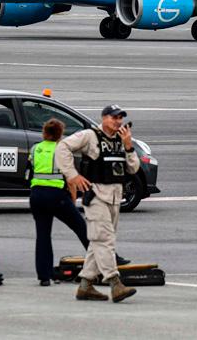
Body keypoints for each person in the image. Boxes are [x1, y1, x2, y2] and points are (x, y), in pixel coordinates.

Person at [55, 104, 139, 303]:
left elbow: (133, 169)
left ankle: (85, 285)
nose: (117, 121)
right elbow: (62, 147)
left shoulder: (122, 139)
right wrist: (73, 175)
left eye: (120, 118)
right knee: (105, 240)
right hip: (96, 196)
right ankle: (114, 282)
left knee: (98, 242)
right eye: (113, 117)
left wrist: (128, 146)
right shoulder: (89, 136)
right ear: (103, 118)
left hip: (115, 197)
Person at [29, 119, 90, 286]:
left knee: (43, 235)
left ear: (44, 133)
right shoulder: (61, 149)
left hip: (37, 195)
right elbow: (70, 179)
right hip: (56, 195)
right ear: (60, 134)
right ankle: (100, 263)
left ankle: (44, 276)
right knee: (81, 227)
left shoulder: (35, 148)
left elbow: (30, 170)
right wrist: (72, 198)